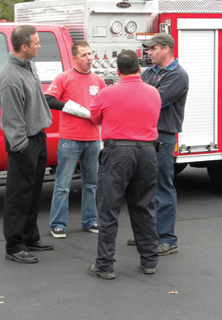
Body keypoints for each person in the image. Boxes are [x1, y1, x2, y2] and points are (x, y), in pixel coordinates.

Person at [87, 50, 162, 280]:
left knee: (109, 209)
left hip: (117, 152)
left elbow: (95, 118)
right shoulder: (154, 93)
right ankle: (149, 260)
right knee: (145, 207)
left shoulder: (107, 93)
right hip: (148, 152)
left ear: (117, 71)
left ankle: (105, 264)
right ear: (139, 68)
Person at [127, 33, 189, 256]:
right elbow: (135, 93)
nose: (149, 53)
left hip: (162, 136)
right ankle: (147, 233)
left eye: (152, 49)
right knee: (144, 186)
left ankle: (167, 239)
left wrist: (135, 99)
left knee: (162, 187)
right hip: (145, 135)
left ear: (165, 49)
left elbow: (154, 101)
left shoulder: (177, 75)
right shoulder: (150, 73)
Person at [0, 25, 54, 264]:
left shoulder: (28, 65)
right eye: (36, 43)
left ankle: (30, 237)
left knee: (32, 193)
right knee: (18, 196)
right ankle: (15, 245)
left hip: (38, 138)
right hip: (23, 144)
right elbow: (12, 119)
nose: (39, 46)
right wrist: (21, 146)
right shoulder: (10, 77)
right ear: (23, 47)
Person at [45, 41, 106, 239]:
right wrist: (74, 109)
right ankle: (58, 224)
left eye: (90, 54)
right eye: (84, 55)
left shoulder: (98, 80)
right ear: (74, 58)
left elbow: (104, 106)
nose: (89, 58)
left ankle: (90, 220)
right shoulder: (64, 77)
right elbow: (49, 100)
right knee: (63, 184)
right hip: (70, 139)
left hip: (93, 139)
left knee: (92, 184)